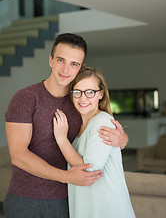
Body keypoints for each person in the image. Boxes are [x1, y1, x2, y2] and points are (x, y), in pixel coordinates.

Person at [4, 33, 128, 218]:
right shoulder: (26, 98)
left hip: (68, 200)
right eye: (61, 60)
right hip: (26, 198)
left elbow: (98, 133)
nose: (65, 69)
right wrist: (66, 176)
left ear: (81, 67)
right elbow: (18, 155)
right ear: (51, 60)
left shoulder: (82, 101)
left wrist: (122, 139)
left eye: (74, 64)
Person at [53, 66, 135, 218]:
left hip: (108, 210)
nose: (83, 98)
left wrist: (61, 139)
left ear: (101, 94)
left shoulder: (102, 121)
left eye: (90, 92)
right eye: (77, 92)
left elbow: (89, 170)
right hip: (87, 209)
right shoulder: (80, 126)